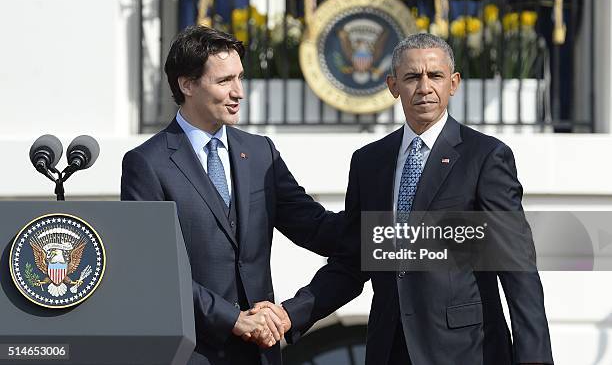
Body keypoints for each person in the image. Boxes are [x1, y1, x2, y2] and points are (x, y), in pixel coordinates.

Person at [265, 33, 554, 365]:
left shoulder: (485, 157)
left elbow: (517, 267)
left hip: (467, 352)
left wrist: (534, 359)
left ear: (454, 83)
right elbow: (353, 260)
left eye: (435, 76)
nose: (424, 87)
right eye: (413, 77)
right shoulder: (369, 162)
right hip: (389, 349)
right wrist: (290, 315)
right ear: (393, 85)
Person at [121, 25, 339, 365]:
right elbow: (152, 269)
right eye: (224, 81)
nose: (238, 91)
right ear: (187, 84)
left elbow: (314, 226)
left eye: (240, 78)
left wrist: (383, 232)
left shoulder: (260, 152)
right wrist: (233, 319)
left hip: (260, 355)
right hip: (191, 354)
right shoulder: (146, 164)